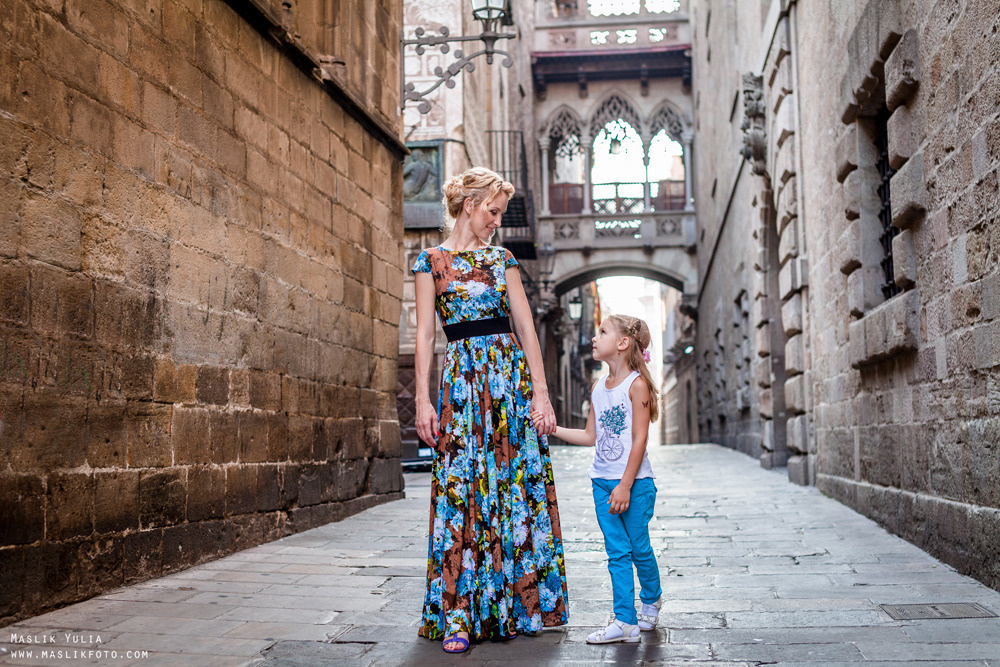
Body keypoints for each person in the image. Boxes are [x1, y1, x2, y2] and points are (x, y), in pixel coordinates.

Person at [412, 167, 569, 653]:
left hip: (509, 384)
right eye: (493, 211)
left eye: (501, 213)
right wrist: (421, 399)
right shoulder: (430, 263)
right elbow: (423, 337)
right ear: (469, 204)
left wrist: (541, 395)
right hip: (460, 387)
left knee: (513, 488)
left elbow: (526, 329)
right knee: (461, 492)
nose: (497, 221)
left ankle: (522, 605)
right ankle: (458, 615)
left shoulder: (502, 260)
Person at [533, 314, 662, 644]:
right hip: (602, 482)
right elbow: (591, 436)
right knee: (617, 551)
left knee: (639, 548)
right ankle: (625, 622)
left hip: (635, 484)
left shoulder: (637, 386)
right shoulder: (598, 388)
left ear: (622, 343)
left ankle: (652, 597)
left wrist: (625, 485)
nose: (594, 337)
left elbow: (639, 440)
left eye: (602, 332)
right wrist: (552, 429)